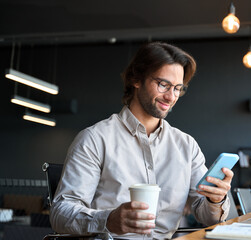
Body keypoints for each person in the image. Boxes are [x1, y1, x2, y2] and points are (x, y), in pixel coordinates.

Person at [50, 42, 234, 239]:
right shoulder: (95, 139)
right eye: (163, 84)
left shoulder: (186, 146)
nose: (171, 96)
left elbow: (208, 217)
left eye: (178, 88)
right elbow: (60, 213)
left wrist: (216, 200)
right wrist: (107, 220)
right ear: (136, 79)